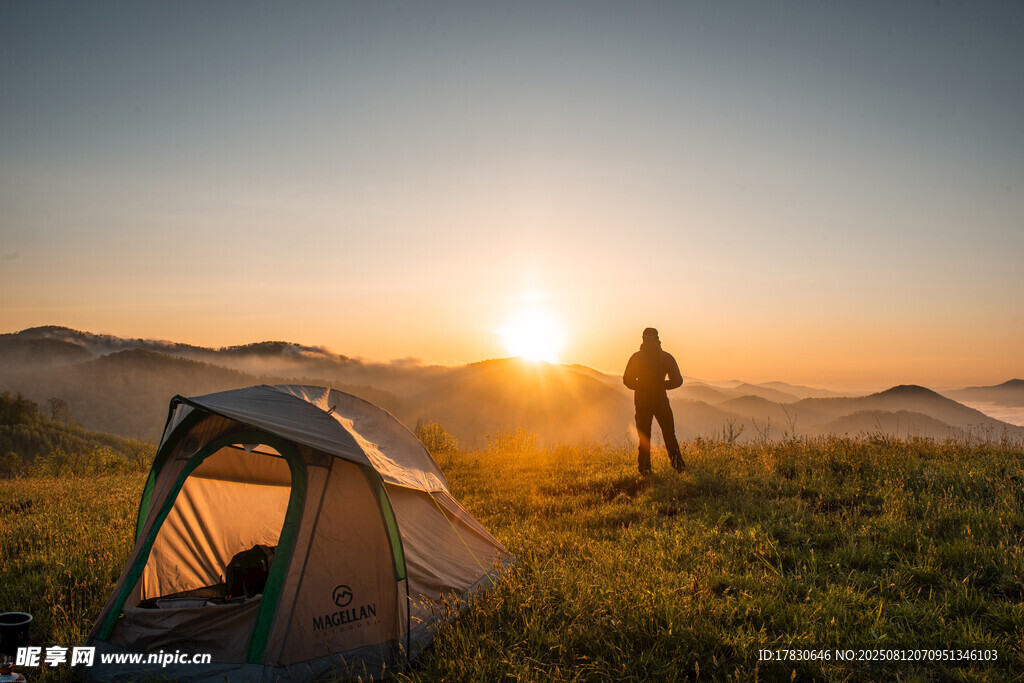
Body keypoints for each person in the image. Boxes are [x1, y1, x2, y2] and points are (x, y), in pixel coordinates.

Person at [623, 327, 685, 475]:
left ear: (643, 339)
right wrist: (662, 385)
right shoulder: (666, 357)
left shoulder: (636, 358)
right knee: (669, 435)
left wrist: (642, 386)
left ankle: (645, 470)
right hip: (661, 401)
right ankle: (679, 468)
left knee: (644, 437)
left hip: (642, 402)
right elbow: (678, 381)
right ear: (657, 339)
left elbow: (627, 380)